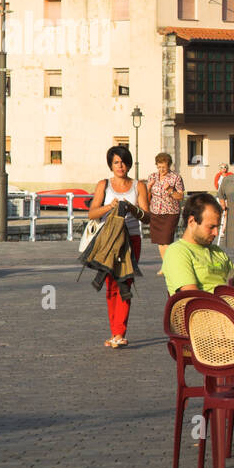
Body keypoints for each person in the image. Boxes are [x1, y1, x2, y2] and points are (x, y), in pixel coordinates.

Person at [88, 145, 151, 349]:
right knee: (110, 285)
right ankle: (114, 331)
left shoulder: (138, 186)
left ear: (129, 164)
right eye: (116, 162)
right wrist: (110, 207)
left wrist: (133, 209)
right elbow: (92, 213)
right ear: (111, 165)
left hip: (131, 240)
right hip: (108, 241)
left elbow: (147, 217)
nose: (120, 165)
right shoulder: (103, 185)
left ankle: (120, 332)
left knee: (125, 283)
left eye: (123, 161)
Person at [163, 193, 233, 295]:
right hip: (206, 308)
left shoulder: (217, 252)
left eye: (217, 227)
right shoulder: (178, 252)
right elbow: (192, 296)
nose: (216, 233)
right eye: (211, 227)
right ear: (191, 221)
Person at [146, 152, 185, 275]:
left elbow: (180, 196)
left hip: (170, 212)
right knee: (160, 241)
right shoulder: (152, 177)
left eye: (164, 167)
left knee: (167, 239)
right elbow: (147, 196)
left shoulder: (176, 177)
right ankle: (166, 266)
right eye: (159, 167)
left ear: (169, 165)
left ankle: (169, 265)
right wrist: (148, 188)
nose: (161, 169)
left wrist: (170, 190)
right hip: (156, 211)